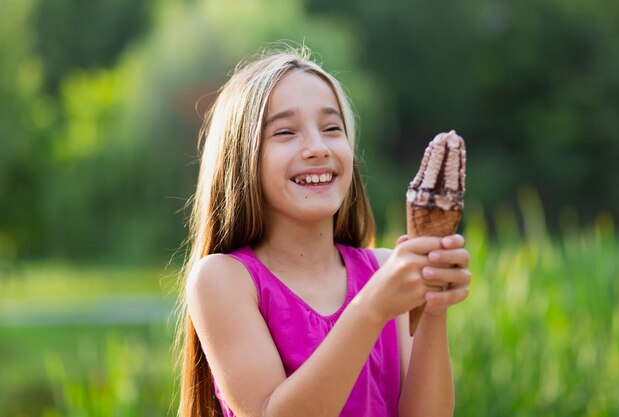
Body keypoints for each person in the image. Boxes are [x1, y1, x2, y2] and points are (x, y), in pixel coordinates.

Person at [175, 45, 471, 417]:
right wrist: (372, 307)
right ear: (241, 156)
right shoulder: (223, 279)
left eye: (332, 128)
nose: (317, 148)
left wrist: (432, 308)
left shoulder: (385, 269)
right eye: (285, 132)